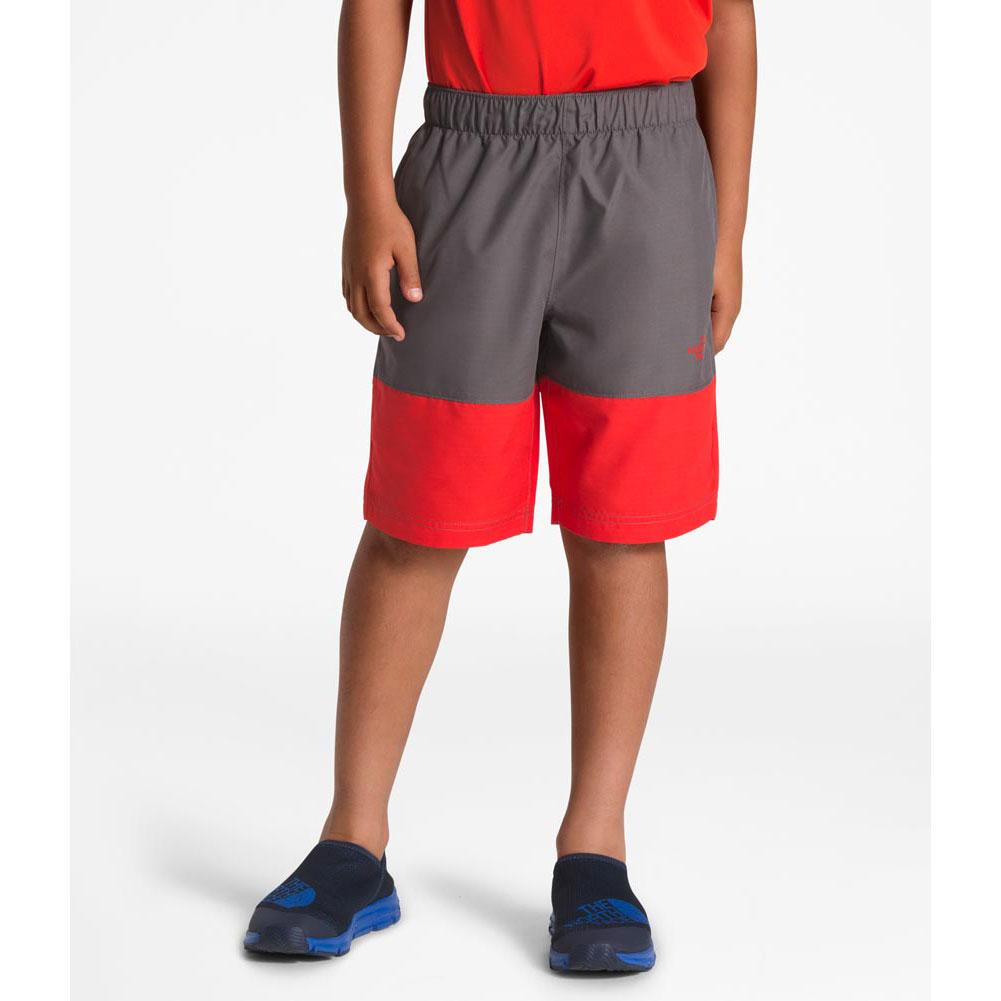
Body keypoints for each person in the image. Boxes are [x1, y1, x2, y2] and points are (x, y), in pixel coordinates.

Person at [244, 0, 756, 972]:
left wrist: (726, 229)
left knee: (621, 521)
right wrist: (367, 192)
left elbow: (727, 22)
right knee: (417, 516)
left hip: (649, 172)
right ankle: (353, 839)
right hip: (470, 160)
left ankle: (594, 847)